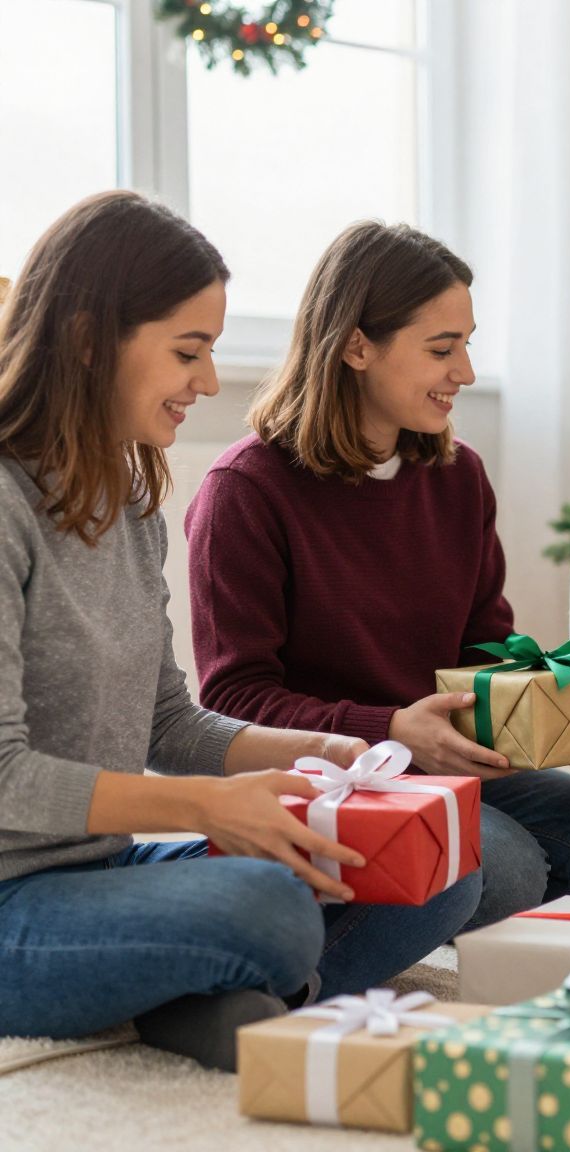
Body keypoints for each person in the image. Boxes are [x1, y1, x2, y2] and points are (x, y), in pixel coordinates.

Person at [0, 193, 479, 1070]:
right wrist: (206, 807)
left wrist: (325, 754)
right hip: (12, 904)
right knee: (265, 911)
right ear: (85, 339)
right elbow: (3, 775)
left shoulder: (129, 504)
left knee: (433, 862)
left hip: (104, 875)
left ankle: (221, 1002)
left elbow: (168, 727)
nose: (210, 383)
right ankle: (228, 994)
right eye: (189, 352)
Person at [186, 221, 570, 929]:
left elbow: (485, 644)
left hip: (445, 757)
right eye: (442, 349)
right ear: (357, 345)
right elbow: (232, 699)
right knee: (504, 871)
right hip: (336, 770)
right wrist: (387, 729)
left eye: (467, 345)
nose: (465, 373)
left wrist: (540, 714)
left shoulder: (458, 478)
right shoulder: (246, 490)